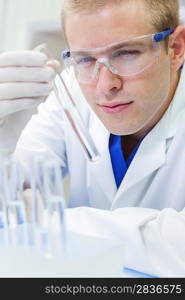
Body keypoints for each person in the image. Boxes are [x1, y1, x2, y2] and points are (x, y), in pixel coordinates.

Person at [1, 0, 185, 277]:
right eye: (85, 58)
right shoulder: (72, 88)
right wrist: (3, 146)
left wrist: (58, 223)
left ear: (176, 48)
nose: (104, 85)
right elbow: (12, 190)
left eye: (127, 53)